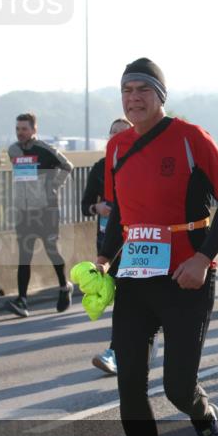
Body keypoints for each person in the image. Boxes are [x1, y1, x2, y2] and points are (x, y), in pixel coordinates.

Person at [96, 57, 218, 436]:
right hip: (135, 277)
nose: (133, 97)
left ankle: (203, 416)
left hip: (186, 276)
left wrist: (204, 258)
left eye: (142, 89)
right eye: (126, 90)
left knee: (177, 387)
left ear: (161, 95)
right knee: (130, 389)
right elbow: (119, 213)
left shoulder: (191, 137)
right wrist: (103, 257)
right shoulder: (117, 146)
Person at [5, 112, 74, 317]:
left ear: (34, 129)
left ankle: (64, 286)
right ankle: (22, 300)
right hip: (24, 212)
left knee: (52, 250)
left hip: (46, 210)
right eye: (17, 129)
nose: (20, 133)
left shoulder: (44, 149)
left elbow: (67, 166)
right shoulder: (13, 150)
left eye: (25, 129)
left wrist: (52, 185)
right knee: (24, 257)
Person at [82, 118, 132, 375]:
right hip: (109, 243)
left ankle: (118, 350)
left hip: (137, 242)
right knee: (122, 297)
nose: (117, 140)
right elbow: (85, 205)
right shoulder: (100, 168)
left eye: (123, 135)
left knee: (129, 298)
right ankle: (122, 349)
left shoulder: (140, 164)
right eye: (113, 135)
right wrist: (97, 208)